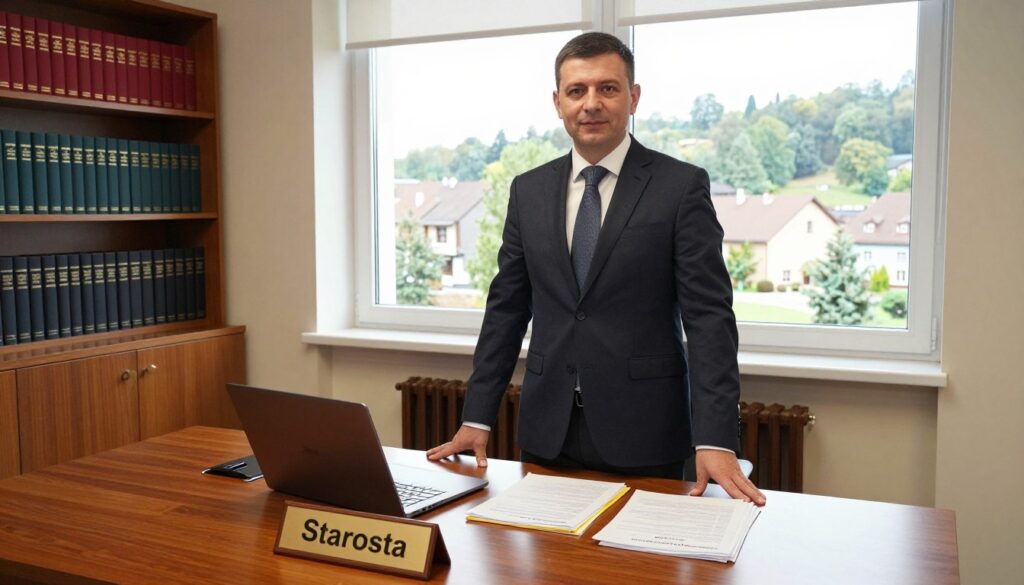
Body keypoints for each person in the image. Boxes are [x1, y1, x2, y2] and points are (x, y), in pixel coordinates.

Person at [426, 32, 765, 505]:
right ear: (557, 102)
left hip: (646, 431)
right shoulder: (528, 191)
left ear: (633, 97)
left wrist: (716, 439)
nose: (591, 104)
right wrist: (477, 416)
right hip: (548, 430)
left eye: (608, 88)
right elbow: (506, 310)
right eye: (577, 91)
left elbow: (709, 320)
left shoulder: (679, 187)